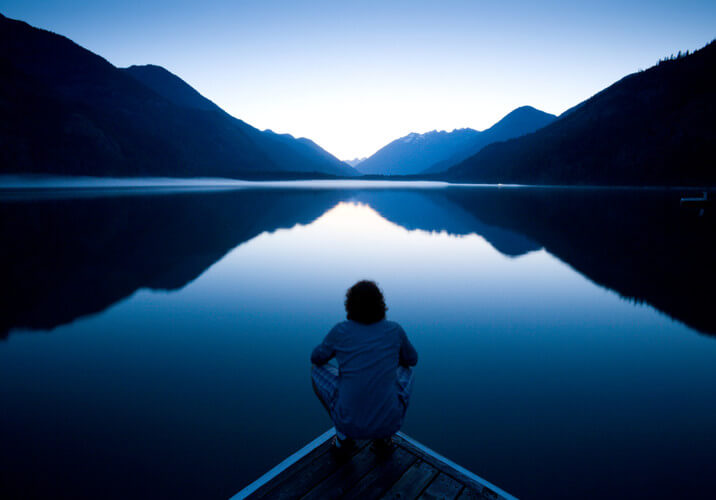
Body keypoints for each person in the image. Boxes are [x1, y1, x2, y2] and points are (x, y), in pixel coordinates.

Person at [311, 280, 418, 456]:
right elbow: (412, 360)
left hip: (348, 423)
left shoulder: (340, 331)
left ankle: (342, 438)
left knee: (315, 369)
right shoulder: (394, 330)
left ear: (350, 306)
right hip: (390, 423)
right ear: (381, 305)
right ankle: (383, 439)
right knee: (406, 370)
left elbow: (316, 358)